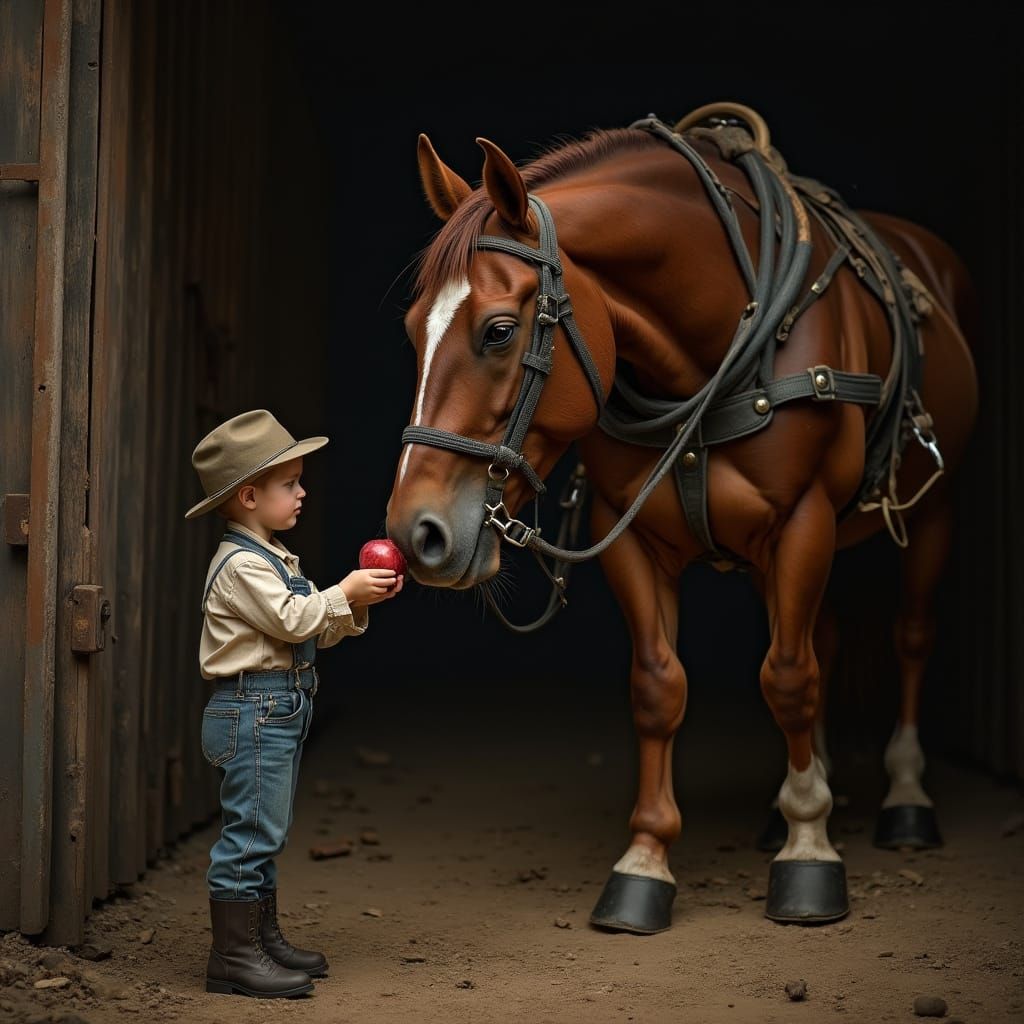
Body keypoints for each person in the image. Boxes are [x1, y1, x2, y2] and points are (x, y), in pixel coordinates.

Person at [185, 408, 403, 998]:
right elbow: (295, 618)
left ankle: (261, 939)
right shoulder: (241, 565)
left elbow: (310, 629)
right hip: (252, 711)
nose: (303, 492)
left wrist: (357, 603)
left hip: (275, 708)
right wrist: (343, 592)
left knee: (265, 831)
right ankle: (233, 957)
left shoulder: (274, 557)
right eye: (290, 484)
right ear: (250, 495)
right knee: (250, 834)